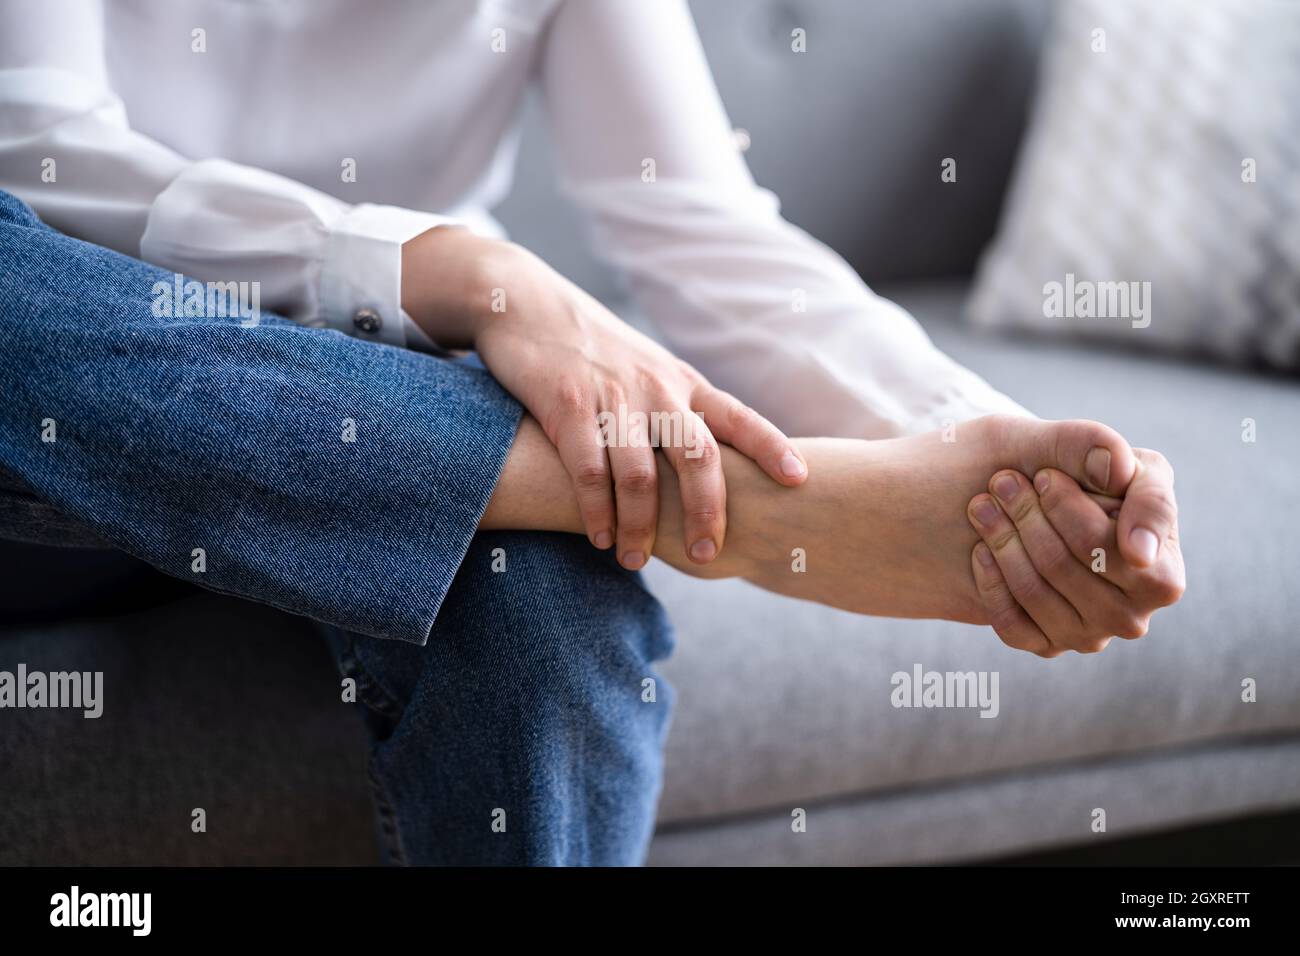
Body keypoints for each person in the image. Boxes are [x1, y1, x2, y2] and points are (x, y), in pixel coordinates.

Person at [0, 0, 1184, 865]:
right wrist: (460, 269)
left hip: (388, 455)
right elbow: (36, 158)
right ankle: (736, 510)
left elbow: (706, 231)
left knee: (550, 585)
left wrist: (991, 462)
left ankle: (579, 487)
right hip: (59, 444)